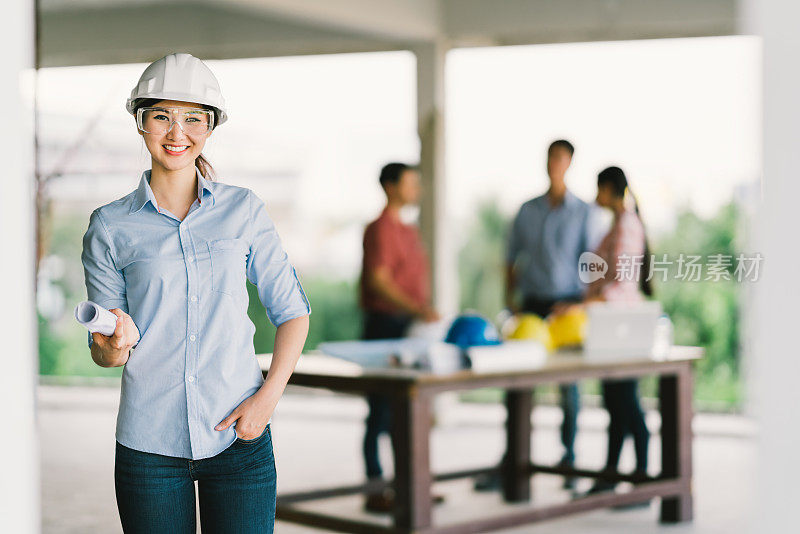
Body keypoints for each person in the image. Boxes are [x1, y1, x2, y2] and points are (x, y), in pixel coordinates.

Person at [81, 53, 311, 534]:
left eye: (192, 118)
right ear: (141, 124)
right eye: (161, 116)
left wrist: (267, 400)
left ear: (209, 127)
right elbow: (105, 353)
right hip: (149, 448)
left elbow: (292, 311)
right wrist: (112, 345)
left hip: (239, 442)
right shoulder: (109, 226)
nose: (176, 132)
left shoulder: (243, 210)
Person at [476, 139, 598, 492]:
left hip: (568, 305)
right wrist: (509, 301)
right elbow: (510, 260)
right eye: (550, 158)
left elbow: (592, 264)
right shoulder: (527, 210)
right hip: (530, 305)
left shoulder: (584, 212)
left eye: (560, 158)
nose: (554, 164)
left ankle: (569, 457)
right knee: (517, 384)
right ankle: (511, 460)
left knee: (569, 388)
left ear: (570, 162)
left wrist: (583, 303)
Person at [359, 162, 440, 512]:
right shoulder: (379, 229)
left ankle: (411, 486)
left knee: (407, 410)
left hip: (407, 328)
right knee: (380, 412)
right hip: (384, 326)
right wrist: (417, 308)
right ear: (391, 187)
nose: (416, 189)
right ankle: (376, 489)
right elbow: (379, 280)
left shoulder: (408, 230)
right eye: (411, 183)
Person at [578, 166, 653, 495]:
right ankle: (611, 475)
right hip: (612, 328)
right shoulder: (619, 223)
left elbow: (620, 284)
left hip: (621, 327)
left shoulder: (626, 225)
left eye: (599, 189)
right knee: (615, 402)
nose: (597, 196)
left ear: (609, 189)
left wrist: (584, 306)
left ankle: (640, 480)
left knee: (627, 403)